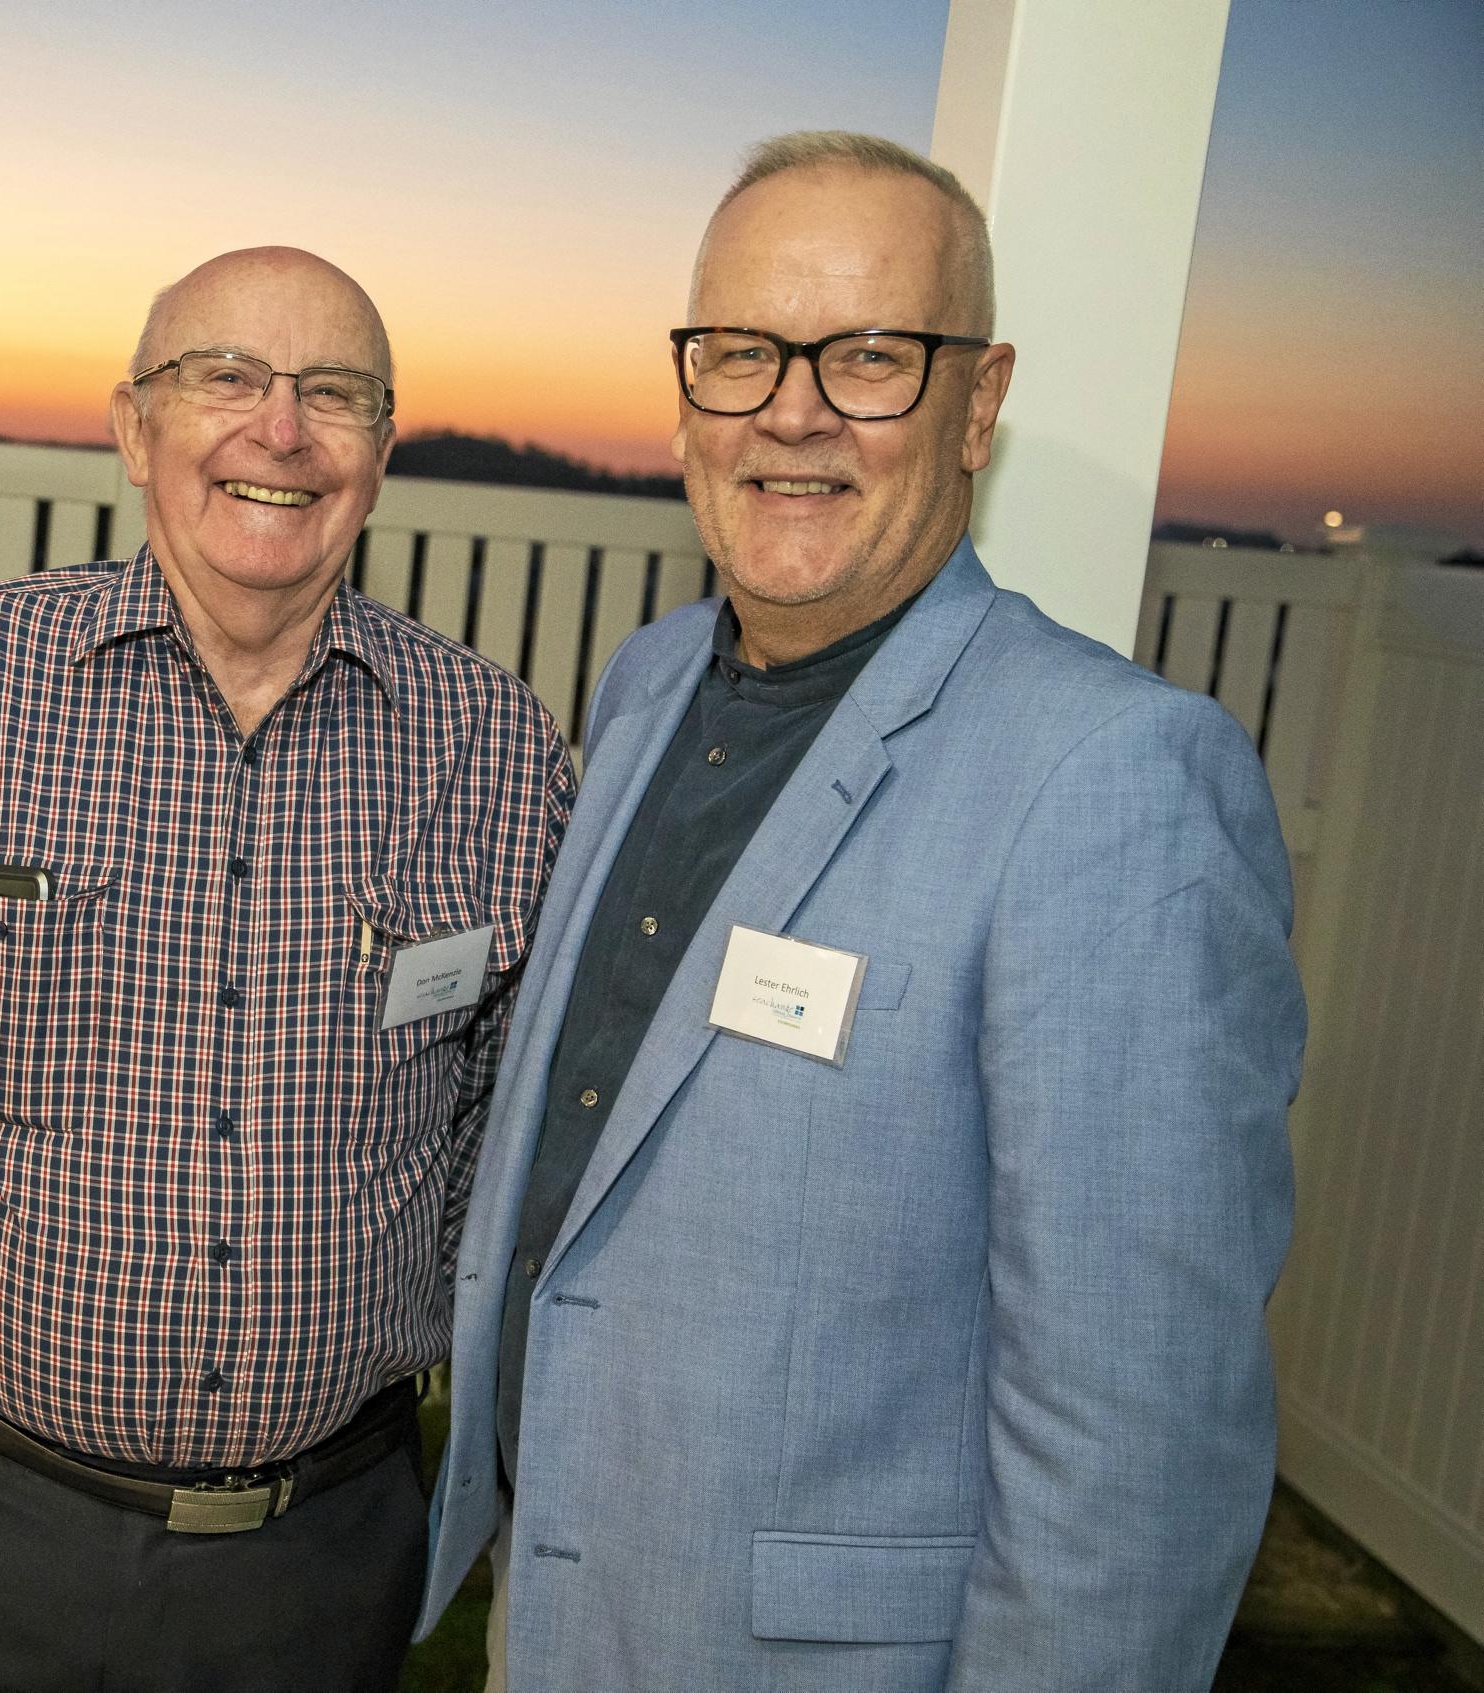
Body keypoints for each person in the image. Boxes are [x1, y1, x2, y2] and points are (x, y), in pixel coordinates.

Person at [420, 132, 1306, 1692]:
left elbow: (1135, 1442)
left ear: (977, 402)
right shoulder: (646, 688)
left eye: (871, 355)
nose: (792, 411)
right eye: (743, 351)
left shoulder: (1110, 778)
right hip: (556, 1610)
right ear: (685, 385)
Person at [0, 246, 576, 1692]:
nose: (276, 431)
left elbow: (494, 1129)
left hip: (311, 1564)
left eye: (331, 393)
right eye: (223, 377)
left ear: (380, 448)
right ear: (130, 427)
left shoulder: (494, 748)